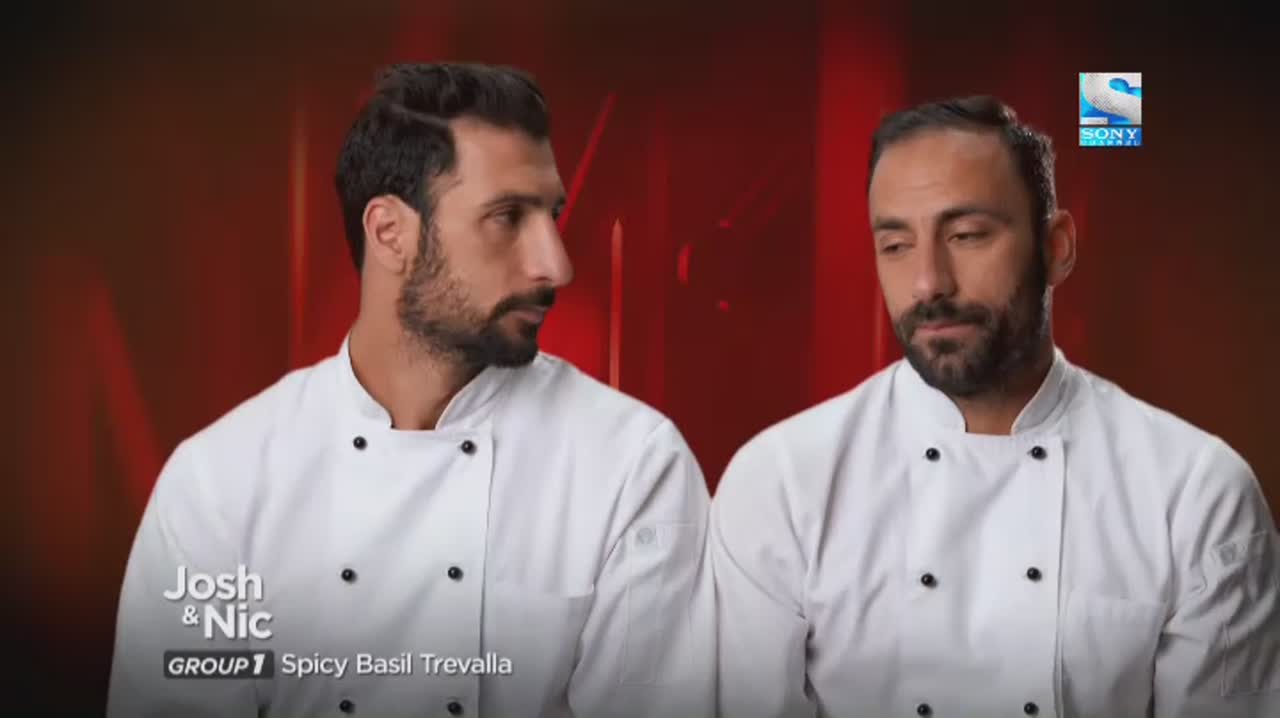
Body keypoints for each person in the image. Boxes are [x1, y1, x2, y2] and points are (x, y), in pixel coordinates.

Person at [108, 62, 714, 718]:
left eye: (552, 216)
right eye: (508, 217)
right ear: (389, 233)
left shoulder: (632, 464)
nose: (556, 265)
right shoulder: (220, 482)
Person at [711, 95, 1278, 717]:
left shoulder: (1194, 492)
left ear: (1056, 246)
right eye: (895, 245)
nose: (929, 283)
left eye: (966, 236)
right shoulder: (782, 483)